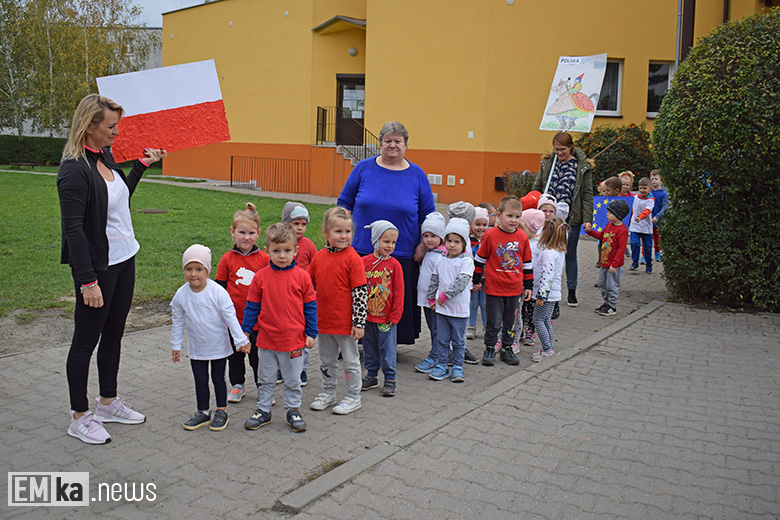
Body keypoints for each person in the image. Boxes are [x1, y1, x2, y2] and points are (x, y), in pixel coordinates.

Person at [58, 93, 165, 445]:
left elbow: (118, 199)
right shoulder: (74, 169)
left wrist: (141, 167)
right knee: (85, 341)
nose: (117, 132)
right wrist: (87, 281)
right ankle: (79, 415)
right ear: (89, 126)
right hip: (98, 268)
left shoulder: (103, 156)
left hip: (124, 259)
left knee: (114, 334)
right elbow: (73, 229)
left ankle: (107, 402)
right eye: (111, 126)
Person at [337, 121, 436, 345]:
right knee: (359, 296)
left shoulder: (417, 174)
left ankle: (390, 346)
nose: (392, 145)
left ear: (406, 145)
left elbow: (428, 214)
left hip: (400, 253)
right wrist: (342, 231)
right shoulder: (363, 168)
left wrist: (423, 243)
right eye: (387, 141)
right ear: (380, 143)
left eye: (397, 141)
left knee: (392, 300)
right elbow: (345, 202)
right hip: (362, 250)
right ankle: (353, 341)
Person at [241, 223, 317, 433]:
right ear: (267, 251)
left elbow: (310, 307)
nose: (282, 256)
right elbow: (252, 307)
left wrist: (311, 333)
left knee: (293, 379)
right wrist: (245, 331)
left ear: (295, 251)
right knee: (265, 379)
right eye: (276, 251)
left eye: (287, 250)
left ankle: (293, 409)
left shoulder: (302, 277)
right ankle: (263, 410)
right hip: (266, 341)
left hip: (294, 341)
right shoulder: (260, 277)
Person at [171, 245, 249, 431]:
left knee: (217, 379)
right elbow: (177, 321)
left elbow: (230, 317)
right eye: (189, 269)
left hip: (218, 347)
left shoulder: (217, 292)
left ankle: (221, 411)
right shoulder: (181, 295)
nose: (193, 274)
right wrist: (176, 345)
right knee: (199, 380)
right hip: (197, 348)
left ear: (207, 270)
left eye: (199, 269)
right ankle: (203, 412)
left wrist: (240, 340)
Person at [307, 207, 368, 415]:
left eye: (347, 232)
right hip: (323, 322)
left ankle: (353, 396)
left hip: (346, 325)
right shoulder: (318, 257)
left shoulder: (353, 259)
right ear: (326, 232)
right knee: (326, 360)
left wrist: (359, 323)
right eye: (338, 231)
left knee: (351, 362)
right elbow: (308, 286)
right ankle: (328, 392)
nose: (343, 236)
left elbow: (360, 293)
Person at [215, 203, 269, 404]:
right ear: (232, 232)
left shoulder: (264, 259)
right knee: (235, 356)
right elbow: (219, 289)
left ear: (258, 234)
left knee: (258, 357)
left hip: (258, 321)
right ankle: (238, 385)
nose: (246, 237)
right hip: (233, 320)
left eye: (251, 233)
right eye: (241, 232)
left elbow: (270, 288)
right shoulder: (226, 259)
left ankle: (263, 386)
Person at [532, 132, 593, 308]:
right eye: (556, 149)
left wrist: (587, 218)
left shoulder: (581, 167)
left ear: (571, 147)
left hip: (570, 218)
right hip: (547, 217)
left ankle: (571, 291)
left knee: (568, 253)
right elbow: (537, 186)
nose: (559, 153)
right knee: (544, 252)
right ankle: (548, 291)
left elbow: (587, 194)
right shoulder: (548, 164)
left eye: (563, 149)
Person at [474, 196, 533, 367]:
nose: (514, 220)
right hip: (494, 288)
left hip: (515, 289)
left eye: (517, 216)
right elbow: (480, 260)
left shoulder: (522, 238)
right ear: (499, 215)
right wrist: (476, 280)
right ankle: (490, 347)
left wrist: (528, 285)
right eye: (510, 216)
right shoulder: (490, 235)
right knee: (493, 321)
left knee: (510, 321)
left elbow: (527, 264)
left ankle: (507, 348)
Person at [426, 218, 474, 382]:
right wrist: (431, 299)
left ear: (464, 243)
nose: (452, 245)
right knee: (442, 339)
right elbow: (434, 280)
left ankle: (458, 367)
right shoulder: (441, 259)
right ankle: (441, 365)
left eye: (457, 241)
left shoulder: (466, 261)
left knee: (459, 341)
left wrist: (444, 296)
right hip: (441, 309)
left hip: (458, 310)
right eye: (449, 241)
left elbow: (461, 282)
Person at [361, 221, 404, 397]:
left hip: (386, 318)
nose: (390, 246)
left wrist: (395, 315)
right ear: (375, 241)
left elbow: (400, 292)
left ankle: (390, 377)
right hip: (367, 317)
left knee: (387, 348)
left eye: (393, 243)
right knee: (369, 346)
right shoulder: (364, 262)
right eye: (386, 241)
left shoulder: (395, 266)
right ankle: (371, 375)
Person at [282, 201, 318, 386]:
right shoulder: (281, 244)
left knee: (303, 334)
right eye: (295, 223)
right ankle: (282, 368)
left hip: (303, 297)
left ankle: (302, 369)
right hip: (282, 297)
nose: (300, 228)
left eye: (303, 224)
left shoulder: (309, 246)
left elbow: (317, 267)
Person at [414, 212, 448, 374]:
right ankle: (438, 354)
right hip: (426, 299)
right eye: (425, 236)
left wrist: (435, 299)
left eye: (433, 236)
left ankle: (437, 356)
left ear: (441, 237)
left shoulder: (441, 256)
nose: (428, 239)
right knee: (433, 328)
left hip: (434, 300)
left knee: (436, 329)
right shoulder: (430, 252)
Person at [531, 219, 568, 362]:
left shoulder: (548, 253)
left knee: (538, 320)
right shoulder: (559, 252)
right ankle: (548, 347)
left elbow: (548, 274)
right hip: (554, 292)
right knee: (546, 320)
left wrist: (541, 295)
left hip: (546, 294)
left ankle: (547, 349)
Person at [587, 199, 629, 316]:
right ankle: (606, 303)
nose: (607, 214)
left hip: (613, 265)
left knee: (612, 286)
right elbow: (601, 236)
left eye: (610, 212)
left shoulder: (622, 230)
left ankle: (612, 306)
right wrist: (591, 232)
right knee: (601, 284)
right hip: (604, 263)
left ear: (618, 215)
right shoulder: (609, 225)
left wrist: (615, 264)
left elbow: (621, 249)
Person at [515, 208, 545, 348]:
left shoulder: (538, 245)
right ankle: (519, 331)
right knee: (520, 309)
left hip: (534, 284)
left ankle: (530, 331)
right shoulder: (522, 240)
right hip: (522, 283)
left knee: (531, 310)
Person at [467, 207, 489, 341]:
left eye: (484, 224)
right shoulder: (469, 242)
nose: (481, 228)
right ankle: (471, 326)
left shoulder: (489, 239)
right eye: (478, 224)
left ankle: (487, 326)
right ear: (471, 224)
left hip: (487, 278)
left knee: (485, 304)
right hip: (473, 278)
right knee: (473, 303)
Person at [629, 177, 655, 273]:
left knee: (647, 248)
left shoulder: (651, 200)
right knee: (634, 243)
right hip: (635, 226)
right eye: (640, 188)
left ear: (649, 189)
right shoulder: (635, 198)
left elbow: (647, 210)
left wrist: (640, 217)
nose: (642, 190)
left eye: (645, 188)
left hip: (646, 227)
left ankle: (649, 264)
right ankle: (635, 262)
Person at [649, 170, 668, 262]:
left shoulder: (663, 194)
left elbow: (665, 206)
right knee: (647, 239)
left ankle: (657, 253)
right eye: (652, 179)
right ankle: (645, 255)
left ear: (661, 180)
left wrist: (658, 216)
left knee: (657, 239)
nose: (653, 181)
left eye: (656, 179)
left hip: (657, 220)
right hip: (648, 220)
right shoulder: (649, 193)